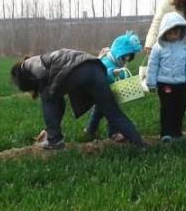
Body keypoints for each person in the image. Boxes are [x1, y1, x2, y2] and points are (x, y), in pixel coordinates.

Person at [10, 49, 146, 149]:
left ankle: (54, 140)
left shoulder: (28, 65)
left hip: (77, 71)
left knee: (48, 97)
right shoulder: (42, 59)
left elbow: (52, 96)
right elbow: (58, 100)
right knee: (113, 112)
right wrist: (50, 128)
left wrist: (52, 129)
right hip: (95, 68)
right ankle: (140, 144)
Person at [146, 12, 186, 142]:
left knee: (180, 107)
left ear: (181, 31)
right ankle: (166, 133)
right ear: (164, 32)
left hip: (181, 83)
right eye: (169, 33)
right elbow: (153, 65)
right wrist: (151, 83)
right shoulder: (158, 48)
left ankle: (177, 132)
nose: (173, 35)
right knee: (167, 107)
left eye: (176, 32)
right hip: (164, 83)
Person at [84, 31, 142, 141]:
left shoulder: (117, 62)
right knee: (112, 113)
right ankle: (113, 133)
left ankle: (90, 130)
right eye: (125, 57)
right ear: (119, 53)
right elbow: (102, 74)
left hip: (110, 92)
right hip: (102, 92)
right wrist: (112, 72)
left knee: (99, 112)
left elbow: (120, 74)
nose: (127, 59)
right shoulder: (107, 61)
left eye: (129, 57)